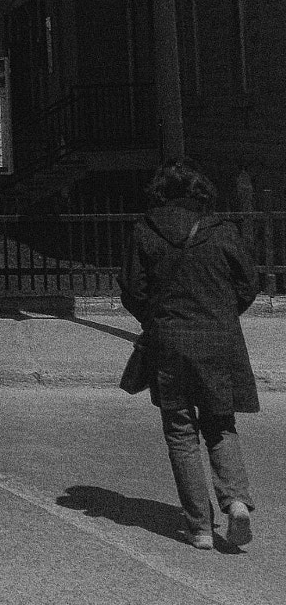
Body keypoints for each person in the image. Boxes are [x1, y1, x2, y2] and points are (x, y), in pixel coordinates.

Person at [119, 159, 258, 550]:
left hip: (170, 342)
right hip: (219, 339)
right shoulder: (222, 232)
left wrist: (156, 318)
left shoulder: (145, 231)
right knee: (220, 423)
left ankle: (199, 528)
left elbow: (132, 288)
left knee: (180, 433)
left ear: (160, 194)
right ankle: (235, 502)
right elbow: (248, 284)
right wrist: (222, 313)